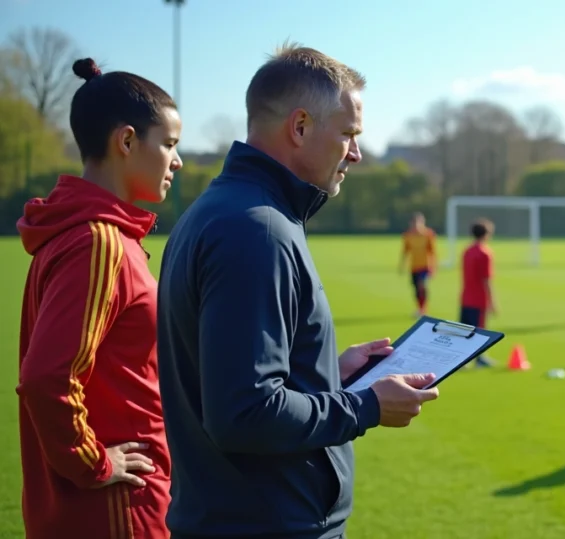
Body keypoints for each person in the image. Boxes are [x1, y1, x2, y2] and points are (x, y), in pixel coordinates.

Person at [156, 43, 440, 539]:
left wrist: (328, 371)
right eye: (349, 134)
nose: (356, 152)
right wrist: (367, 406)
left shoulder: (221, 209)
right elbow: (245, 412)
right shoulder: (257, 228)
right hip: (265, 525)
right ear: (301, 127)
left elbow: (233, 377)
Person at [16, 58, 180, 538]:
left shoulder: (90, 235)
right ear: (127, 141)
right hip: (114, 507)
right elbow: (48, 377)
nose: (178, 160)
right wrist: (93, 464)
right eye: (169, 144)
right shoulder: (97, 242)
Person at [460, 218, 498, 367]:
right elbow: (486, 279)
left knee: (465, 330)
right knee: (480, 330)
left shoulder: (467, 251)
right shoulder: (485, 253)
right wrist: (492, 301)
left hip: (466, 296)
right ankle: (480, 359)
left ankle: (460, 359)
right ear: (486, 234)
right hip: (478, 298)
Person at [399, 212, 436, 317]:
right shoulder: (408, 235)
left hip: (425, 265)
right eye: (414, 222)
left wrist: (433, 267)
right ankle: (419, 308)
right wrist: (402, 264)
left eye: (419, 222)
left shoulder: (428, 234)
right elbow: (405, 251)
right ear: (411, 223)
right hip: (414, 266)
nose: (416, 225)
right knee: (415, 288)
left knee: (422, 286)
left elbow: (432, 251)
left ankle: (424, 309)